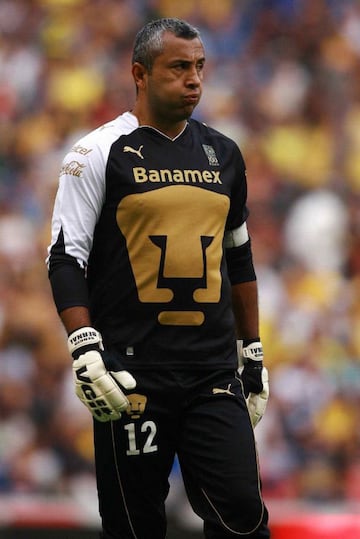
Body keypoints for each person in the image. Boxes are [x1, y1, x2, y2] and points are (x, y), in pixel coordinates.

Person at [46, 17, 270, 539]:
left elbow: (239, 258)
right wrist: (84, 346)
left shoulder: (224, 154)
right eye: (178, 68)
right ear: (139, 74)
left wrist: (252, 349)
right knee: (134, 526)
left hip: (211, 371)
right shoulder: (96, 153)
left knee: (243, 515)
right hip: (133, 375)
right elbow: (64, 257)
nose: (194, 80)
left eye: (199, 67)